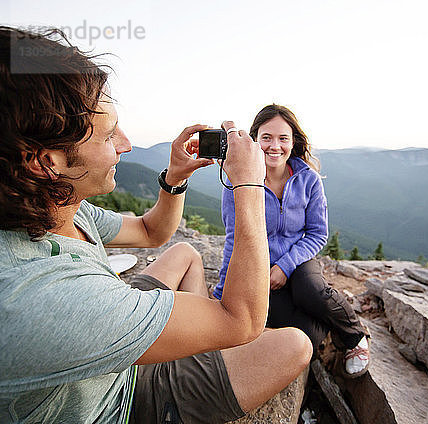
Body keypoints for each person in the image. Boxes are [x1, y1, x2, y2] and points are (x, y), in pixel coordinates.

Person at [0, 26, 312, 424]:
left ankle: (196, 339)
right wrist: (248, 184)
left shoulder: (59, 208)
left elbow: (152, 232)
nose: (126, 144)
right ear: (45, 162)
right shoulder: (33, 299)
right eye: (109, 134)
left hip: (109, 337)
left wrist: (175, 177)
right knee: (295, 346)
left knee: (183, 252)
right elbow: (244, 321)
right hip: (121, 399)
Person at [213, 104, 370, 378]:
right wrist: (221, 294)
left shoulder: (308, 180)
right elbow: (233, 238)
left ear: (293, 141)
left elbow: (318, 233)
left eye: (283, 138)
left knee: (309, 290)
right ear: (254, 140)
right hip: (259, 270)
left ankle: (355, 336)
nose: (275, 146)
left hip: (298, 260)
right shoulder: (237, 182)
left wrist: (285, 266)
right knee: (302, 333)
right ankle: (326, 324)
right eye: (266, 138)